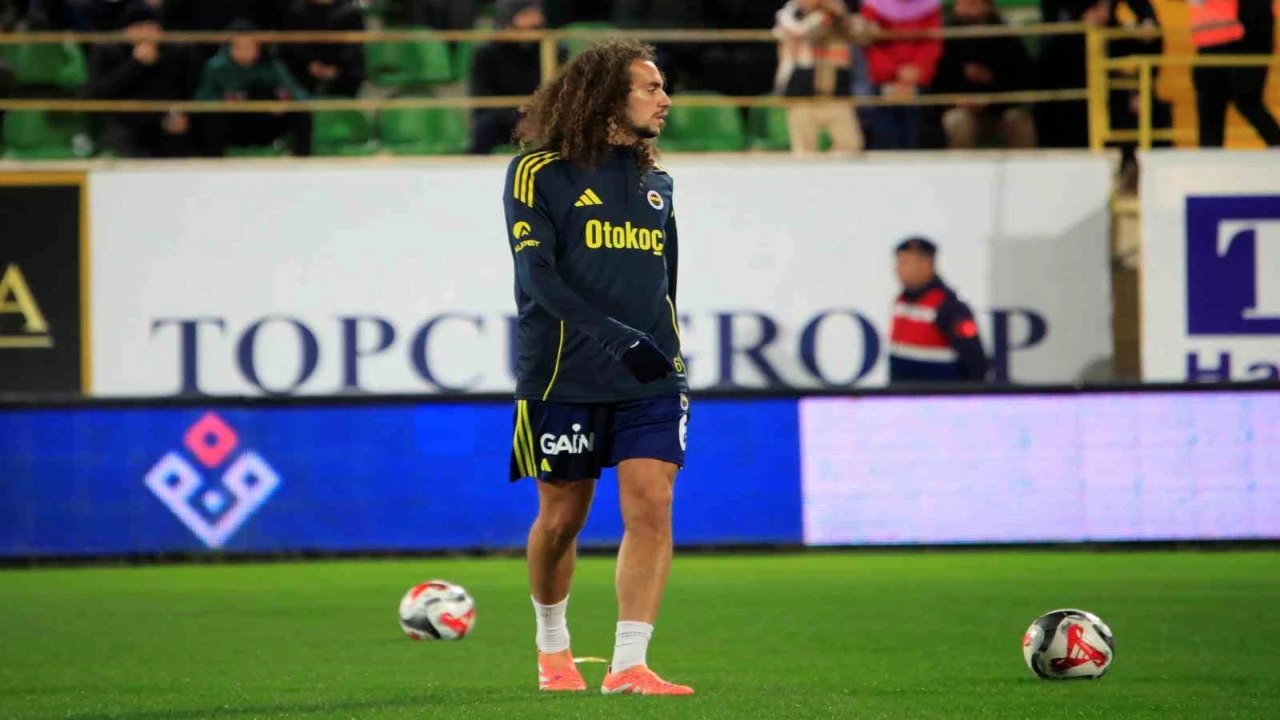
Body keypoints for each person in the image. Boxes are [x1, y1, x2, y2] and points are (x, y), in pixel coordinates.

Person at [502, 40, 693, 696]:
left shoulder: (657, 184)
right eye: (651, 88)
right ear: (609, 97)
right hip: (564, 375)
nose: (665, 100)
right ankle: (552, 646)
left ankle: (629, 664)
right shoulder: (537, 172)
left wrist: (663, 352)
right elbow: (538, 279)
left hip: (650, 374)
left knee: (652, 505)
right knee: (561, 520)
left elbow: (666, 284)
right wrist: (616, 338)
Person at [87, 4, 199, 158]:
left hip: (164, 121)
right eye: (140, 27)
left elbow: (187, 89)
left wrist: (181, 113)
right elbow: (99, 93)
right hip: (122, 121)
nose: (146, 33)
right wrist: (135, 64)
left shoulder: (175, 52)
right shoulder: (107, 51)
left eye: (151, 27)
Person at [194, 19, 312, 156]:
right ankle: (212, 161)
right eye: (238, 47)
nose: (244, 51)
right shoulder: (216, 67)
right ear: (229, 47)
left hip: (267, 122)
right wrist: (227, 100)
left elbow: (299, 94)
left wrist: (285, 100)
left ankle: (301, 159)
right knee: (212, 120)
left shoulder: (272, 65)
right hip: (234, 124)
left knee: (301, 114)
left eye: (249, 46)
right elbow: (201, 101)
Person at [931, 0, 1035, 149]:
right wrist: (957, 100)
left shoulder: (1004, 36)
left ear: (987, 6)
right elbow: (937, 82)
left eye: (973, 3)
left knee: (1019, 121)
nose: (967, 9)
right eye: (963, 4)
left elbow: (1023, 79)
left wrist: (992, 86)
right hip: (960, 109)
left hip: (1000, 110)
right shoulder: (946, 37)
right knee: (956, 121)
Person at [888, 237, 988, 383]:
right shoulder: (901, 301)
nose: (897, 269)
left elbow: (974, 361)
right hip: (903, 393)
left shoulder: (949, 306)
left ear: (925, 264)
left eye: (904, 263)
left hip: (937, 395)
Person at [772, 0, 866, 155]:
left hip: (835, 93)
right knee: (804, 152)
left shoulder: (837, 18)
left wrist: (842, 16)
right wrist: (822, 17)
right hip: (801, 93)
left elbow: (864, 36)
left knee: (850, 148)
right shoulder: (787, 15)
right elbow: (802, 34)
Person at [469, 0, 557, 154]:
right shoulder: (487, 53)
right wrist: (516, 116)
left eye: (538, 13)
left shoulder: (550, 48)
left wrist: (532, 114)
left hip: (537, 114)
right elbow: (481, 95)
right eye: (527, 14)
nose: (537, 20)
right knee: (486, 124)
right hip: (501, 117)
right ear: (509, 18)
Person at [1190, 0, 1280, 147]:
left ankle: (1277, 144)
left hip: (1245, 42)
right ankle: (1209, 157)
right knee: (1210, 107)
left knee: (1246, 100)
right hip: (1209, 46)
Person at [859, 0, 943, 149]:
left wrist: (918, 68)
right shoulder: (873, 5)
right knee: (885, 136)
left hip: (917, 79)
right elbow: (870, 44)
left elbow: (932, 41)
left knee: (916, 136)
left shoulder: (930, 6)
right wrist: (894, 71)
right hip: (884, 80)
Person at [281, 0, 366, 99]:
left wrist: (336, 69)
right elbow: (292, 45)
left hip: (344, 75)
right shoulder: (296, 10)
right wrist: (311, 63)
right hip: (302, 75)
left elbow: (354, 47)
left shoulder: (351, 12)